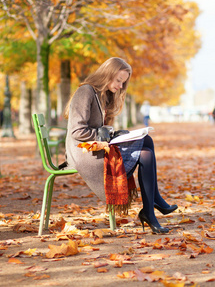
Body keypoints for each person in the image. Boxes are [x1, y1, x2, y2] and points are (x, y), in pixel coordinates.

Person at [64, 57, 177, 234]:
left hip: (96, 149)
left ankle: (152, 204)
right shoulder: (85, 92)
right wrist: (104, 135)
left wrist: (113, 134)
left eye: (123, 83)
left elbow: (100, 130)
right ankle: (150, 208)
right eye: (118, 80)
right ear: (107, 74)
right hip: (84, 154)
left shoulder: (102, 95)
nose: (120, 86)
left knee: (147, 141)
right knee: (145, 154)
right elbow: (77, 131)